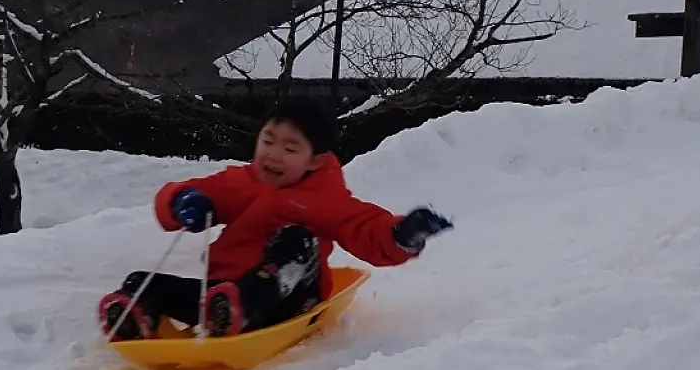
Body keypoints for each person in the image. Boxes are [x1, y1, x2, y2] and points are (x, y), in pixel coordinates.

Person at [98, 96, 453, 341]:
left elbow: (364, 227)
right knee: (143, 282)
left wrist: (402, 234)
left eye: (289, 148)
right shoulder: (240, 182)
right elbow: (187, 192)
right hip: (222, 296)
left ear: (315, 160)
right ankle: (133, 315)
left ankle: (242, 306)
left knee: (297, 239)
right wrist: (183, 201)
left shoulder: (324, 198)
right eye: (268, 141)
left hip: (289, 298)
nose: (273, 154)